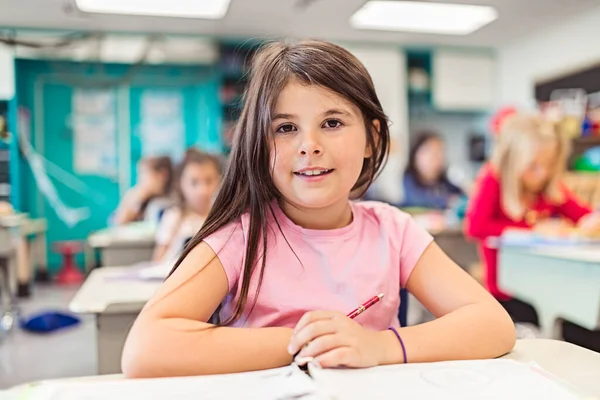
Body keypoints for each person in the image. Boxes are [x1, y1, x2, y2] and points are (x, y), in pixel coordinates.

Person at [121, 40, 515, 378]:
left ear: (370, 137)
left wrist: (376, 347)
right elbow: (144, 348)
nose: (309, 145)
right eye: (286, 128)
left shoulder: (393, 230)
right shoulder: (240, 237)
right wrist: (308, 342)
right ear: (260, 145)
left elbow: (493, 324)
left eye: (331, 122)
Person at [464, 113, 600, 324]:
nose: (542, 174)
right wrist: (533, 230)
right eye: (533, 166)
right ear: (513, 161)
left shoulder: (550, 189)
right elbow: (475, 227)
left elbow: (584, 215)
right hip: (507, 293)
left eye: (549, 165)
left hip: (550, 286)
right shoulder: (494, 179)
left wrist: (592, 220)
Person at [153, 149, 222, 263]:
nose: (202, 191)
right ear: (180, 183)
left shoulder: (222, 218)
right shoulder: (174, 217)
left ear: (218, 180)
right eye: (194, 182)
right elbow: (158, 261)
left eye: (209, 181)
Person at [401, 131, 464, 210]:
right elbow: (416, 199)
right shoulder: (409, 178)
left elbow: (461, 196)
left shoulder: (445, 181)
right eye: (430, 152)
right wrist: (447, 201)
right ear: (415, 155)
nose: (437, 157)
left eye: (440, 152)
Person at [112, 156, 174, 225]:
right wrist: (132, 201)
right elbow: (118, 223)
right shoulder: (138, 196)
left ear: (162, 174)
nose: (140, 179)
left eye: (144, 173)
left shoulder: (172, 200)